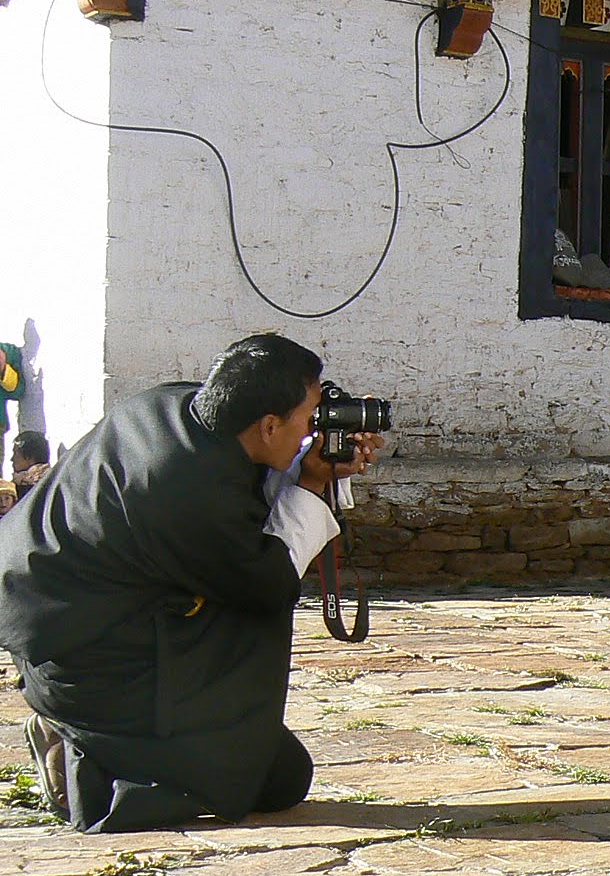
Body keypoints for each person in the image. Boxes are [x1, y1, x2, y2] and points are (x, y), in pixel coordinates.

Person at [0, 334, 382, 833]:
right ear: (269, 424)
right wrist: (311, 481)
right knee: (279, 778)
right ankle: (79, 752)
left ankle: (89, 730)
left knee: (270, 761)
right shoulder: (183, 490)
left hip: (70, 621)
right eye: (310, 419)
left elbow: (241, 482)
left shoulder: (174, 406)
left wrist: (315, 457)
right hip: (90, 665)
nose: (315, 428)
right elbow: (267, 582)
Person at [11, 429, 50, 498]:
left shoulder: (11, 492)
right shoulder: (54, 482)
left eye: (15, 454)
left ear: (29, 457)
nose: (12, 459)